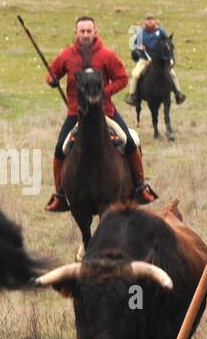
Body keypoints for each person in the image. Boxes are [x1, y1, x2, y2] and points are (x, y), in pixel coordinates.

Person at [46, 15, 156, 211]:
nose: (86, 34)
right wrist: (52, 79)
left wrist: (101, 94)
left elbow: (122, 78)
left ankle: (140, 186)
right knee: (58, 150)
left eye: (89, 31)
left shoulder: (107, 55)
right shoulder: (66, 55)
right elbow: (51, 73)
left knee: (129, 141)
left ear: (95, 32)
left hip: (105, 111)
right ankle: (60, 194)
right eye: (82, 31)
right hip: (76, 113)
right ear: (76, 33)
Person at [126, 13, 184, 109]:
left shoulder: (160, 31)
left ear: (155, 20)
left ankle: (178, 93)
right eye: (148, 19)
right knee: (135, 74)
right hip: (145, 59)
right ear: (145, 21)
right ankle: (132, 96)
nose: (150, 21)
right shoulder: (141, 32)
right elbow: (135, 45)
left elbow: (167, 42)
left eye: (151, 19)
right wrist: (139, 47)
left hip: (159, 60)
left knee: (172, 73)